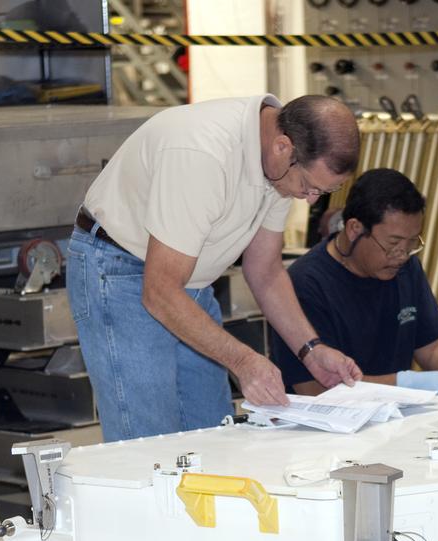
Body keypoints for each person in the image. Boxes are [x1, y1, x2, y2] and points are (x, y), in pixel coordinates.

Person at [68, 94, 363, 442]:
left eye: (323, 192)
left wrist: (311, 351)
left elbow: (265, 270)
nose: (310, 199)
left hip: (188, 287)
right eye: (310, 186)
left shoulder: (280, 162)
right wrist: (243, 361)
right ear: (284, 147)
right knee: (149, 447)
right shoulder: (203, 154)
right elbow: (160, 291)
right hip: (122, 274)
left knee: (213, 435)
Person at [272, 168, 438, 402]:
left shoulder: (406, 268)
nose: (401, 255)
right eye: (393, 243)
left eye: (412, 243)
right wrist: (403, 383)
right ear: (355, 229)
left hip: (393, 422)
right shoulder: (305, 284)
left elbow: (433, 347)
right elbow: (315, 390)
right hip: (328, 431)